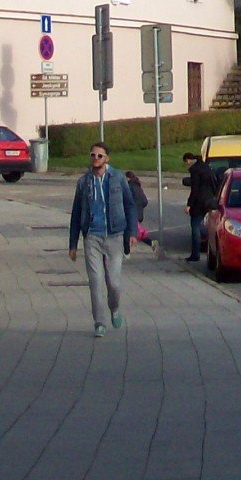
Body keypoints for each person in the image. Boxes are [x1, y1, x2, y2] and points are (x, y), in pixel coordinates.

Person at [68, 142, 136, 337]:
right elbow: (76, 213)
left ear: (107, 159)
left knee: (113, 283)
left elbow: (130, 205)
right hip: (92, 237)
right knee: (96, 281)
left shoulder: (118, 178)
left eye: (99, 156)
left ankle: (114, 308)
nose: (95, 159)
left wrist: (131, 232)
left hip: (115, 236)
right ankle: (99, 322)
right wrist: (73, 244)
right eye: (93, 155)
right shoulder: (83, 182)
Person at [183, 151, 215, 263]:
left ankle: (195, 254)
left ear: (188, 160)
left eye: (186, 163)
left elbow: (195, 189)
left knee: (195, 226)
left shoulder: (195, 170)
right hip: (210, 200)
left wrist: (189, 205)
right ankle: (211, 250)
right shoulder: (206, 167)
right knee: (211, 226)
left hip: (199, 202)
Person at [125, 170, 153, 245]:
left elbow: (126, 201)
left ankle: (151, 243)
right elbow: (145, 201)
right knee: (136, 232)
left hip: (132, 214)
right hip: (139, 214)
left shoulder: (129, 187)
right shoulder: (138, 186)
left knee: (133, 233)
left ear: (128, 178)